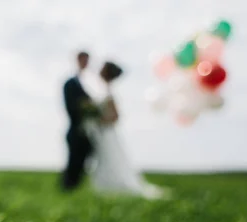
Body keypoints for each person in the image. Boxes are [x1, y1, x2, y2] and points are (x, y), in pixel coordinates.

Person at [84, 61, 168, 199]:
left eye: (102, 68)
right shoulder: (104, 90)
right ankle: (106, 185)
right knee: (105, 159)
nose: (99, 70)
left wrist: (99, 120)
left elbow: (116, 116)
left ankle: (112, 185)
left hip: (106, 132)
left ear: (106, 72)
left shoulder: (108, 92)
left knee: (110, 158)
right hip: (103, 133)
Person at [61, 51, 95, 191]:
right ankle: (68, 186)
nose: (85, 63)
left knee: (84, 159)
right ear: (78, 60)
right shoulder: (70, 83)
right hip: (76, 128)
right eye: (83, 60)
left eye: (87, 60)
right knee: (74, 159)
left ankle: (76, 186)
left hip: (90, 129)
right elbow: (70, 107)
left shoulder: (92, 83)